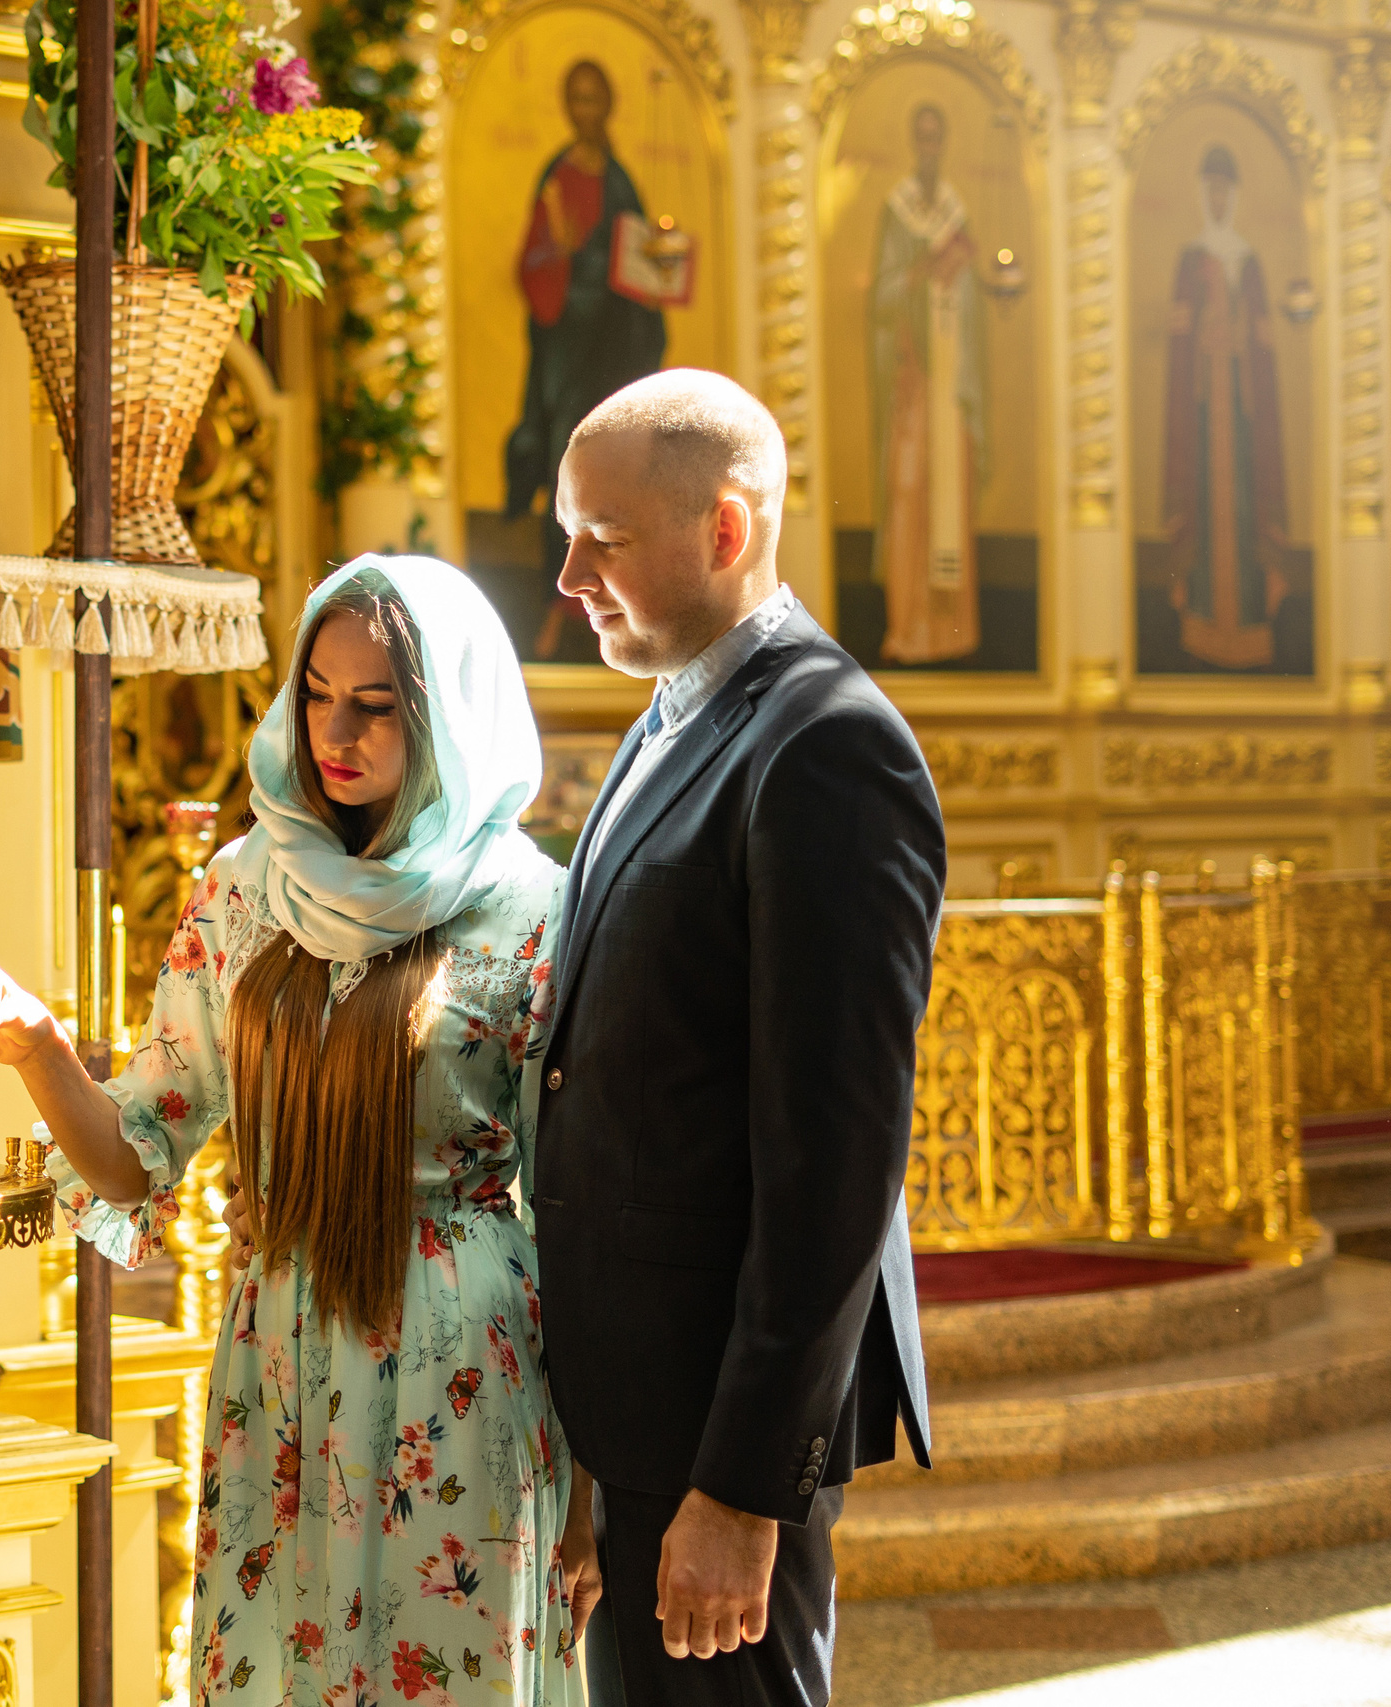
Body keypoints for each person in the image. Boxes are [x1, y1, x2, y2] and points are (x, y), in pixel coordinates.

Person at [0, 556, 599, 1707]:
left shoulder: (534, 904)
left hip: (465, 1342)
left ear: (447, 716)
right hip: (285, 1339)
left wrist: (593, 1490)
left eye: (374, 705)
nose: (333, 732)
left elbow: (580, 1203)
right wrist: (43, 1052)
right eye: (314, 693)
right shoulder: (242, 889)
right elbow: (133, 1153)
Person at [533, 370, 942, 1705]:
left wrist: (742, 1484)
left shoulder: (826, 744)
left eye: (605, 536)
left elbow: (836, 1158)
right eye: (566, 532)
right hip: (643, 1407)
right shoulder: (674, 712)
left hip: (719, 1424)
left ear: (725, 527)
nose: (570, 571)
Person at [504, 59, 668, 655]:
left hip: (616, 349)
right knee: (564, 470)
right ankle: (558, 606)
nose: (587, 110)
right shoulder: (558, 174)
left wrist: (659, 266)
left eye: (596, 98)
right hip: (570, 346)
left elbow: (639, 255)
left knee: (622, 475)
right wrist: (561, 251)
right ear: (569, 107)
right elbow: (533, 261)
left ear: (609, 105)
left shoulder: (621, 180)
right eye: (578, 99)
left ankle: (627, 609)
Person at [1163, 142, 1290, 669]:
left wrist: (1238, 339)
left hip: (1240, 411)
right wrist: (1200, 340)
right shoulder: (1191, 259)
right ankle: (1202, 626)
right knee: (1206, 507)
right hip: (1201, 410)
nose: (1217, 198)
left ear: (1234, 195)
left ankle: (1250, 630)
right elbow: (1178, 337)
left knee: (1244, 507)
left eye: (1225, 189)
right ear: (1201, 193)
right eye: (1210, 188)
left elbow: (1262, 344)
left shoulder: (1250, 262)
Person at [871, 103, 987, 665]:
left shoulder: (956, 215)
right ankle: (909, 629)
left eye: (937, 139)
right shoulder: (898, 213)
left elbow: (971, 309)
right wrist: (920, 273)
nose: (929, 150)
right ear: (913, 144)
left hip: (949, 386)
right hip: (914, 384)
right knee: (910, 494)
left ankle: (953, 633)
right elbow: (883, 296)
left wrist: (957, 275)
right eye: (921, 139)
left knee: (951, 494)